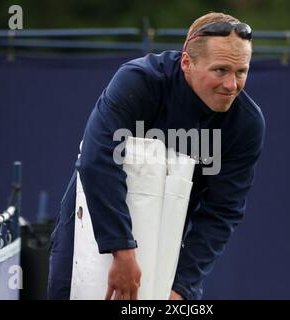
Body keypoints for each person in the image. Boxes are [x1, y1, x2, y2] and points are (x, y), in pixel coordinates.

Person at [48, 12, 265, 300]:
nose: (231, 85)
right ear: (187, 62)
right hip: (95, 215)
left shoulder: (246, 123)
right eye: (220, 70)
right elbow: (96, 159)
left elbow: (221, 211)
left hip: (166, 233)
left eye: (241, 72)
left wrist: (183, 287)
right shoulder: (141, 81)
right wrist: (121, 249)